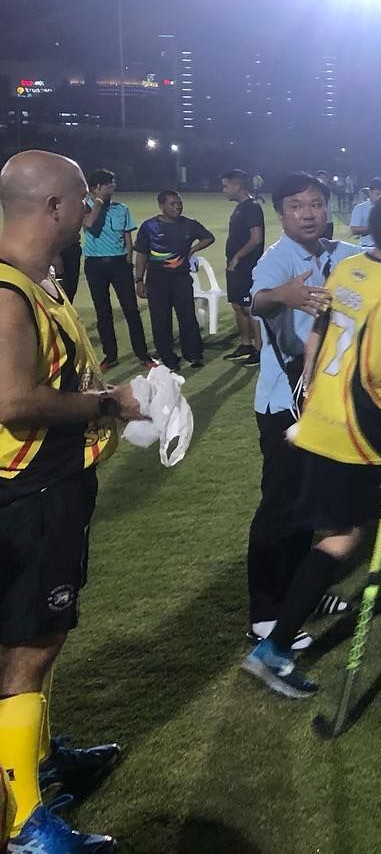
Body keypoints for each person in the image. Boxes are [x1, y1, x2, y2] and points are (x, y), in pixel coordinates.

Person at [242, 192, 381, 698]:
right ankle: (279, 648)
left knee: (366, 529)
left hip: (326, 422)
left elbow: (317, 335)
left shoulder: (348, 268)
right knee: (376, 533)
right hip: (367, 431)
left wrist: (312, 394)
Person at [0, 150, 145, 852]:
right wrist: (108, 402)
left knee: (40, 638)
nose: (91, 209)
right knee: (29, 646)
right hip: (31, 491)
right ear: (53, 207)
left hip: (54, 483)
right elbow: (12, 399)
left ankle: (40, 762)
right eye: (83, 198)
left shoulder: (40, 277)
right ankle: (24, 821)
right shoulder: (8, 291)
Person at [245, 173, 360, 650]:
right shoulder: (276, 260)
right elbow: (258, 300)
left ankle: (301, 595)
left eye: (315, 204)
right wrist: (283, 297)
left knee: (308, 503)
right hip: (284, 402)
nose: (308, 213)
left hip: (325, 401)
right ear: (280, 214)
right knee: (280, 506)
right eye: (296, 206)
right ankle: (265, 614)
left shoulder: (343, 253)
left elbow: (380, 261)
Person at [80, 168, 154, 371]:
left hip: (120, 264)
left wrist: (128, 261)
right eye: (108, 184)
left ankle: (143, 354)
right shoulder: (84, 207)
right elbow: (89, 223)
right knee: (103, 312)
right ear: (96, 187)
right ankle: (110, 356)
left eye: (113, 183)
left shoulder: (122, 208)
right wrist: (98, 200)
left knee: (131, 310)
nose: (113, 187)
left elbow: (128, 237)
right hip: (95, 265)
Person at [134, 190, 214, 371]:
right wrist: (139, 280)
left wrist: (192, 250)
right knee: (161, 320)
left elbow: (209, 237)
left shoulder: (189, 224)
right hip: (157, 281)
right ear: (161, 206)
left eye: (179, 203)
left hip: (181, 279)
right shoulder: (149, 226)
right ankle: (168, 357)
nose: (177, 207)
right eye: (172, 204)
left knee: (187, 317)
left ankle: (193, 354)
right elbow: (141, 254)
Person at [221, 169, 265, 366]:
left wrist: (238, 257)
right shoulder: (240, 207)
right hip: (235, 267)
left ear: (237, 185)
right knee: (238, 306)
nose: (224, 190)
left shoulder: (252, 208)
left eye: (226, 186)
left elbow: (256, 239)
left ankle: (259, 350)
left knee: (249, 308)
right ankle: (246, 345)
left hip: (247, 266)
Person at [348, 177, 381, 251]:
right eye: (377, 194)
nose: (380, 197)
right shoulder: (360, 208)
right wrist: (374, 227)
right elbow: (354, 229)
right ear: (370, 192)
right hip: (368, 248)